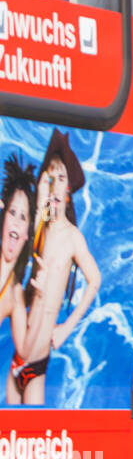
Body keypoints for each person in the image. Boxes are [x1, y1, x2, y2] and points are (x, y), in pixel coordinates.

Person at [10, 131, 101, 405]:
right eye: (50, 179)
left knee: (34, 433)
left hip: (36, 364)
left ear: (69, 189)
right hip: (19, 357)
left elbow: (95, 280)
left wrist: (66, 328)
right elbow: (39, 207)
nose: (55, 186)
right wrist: (45, 189)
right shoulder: (41, 228)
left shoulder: (73, 237)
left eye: (61, 179)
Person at [0, 154, 35, 386]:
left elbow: (25, 350)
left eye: (23, 218)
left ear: (26, 235)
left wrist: (44, 299)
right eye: (12, 213)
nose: (15, 222)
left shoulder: (14, 294)